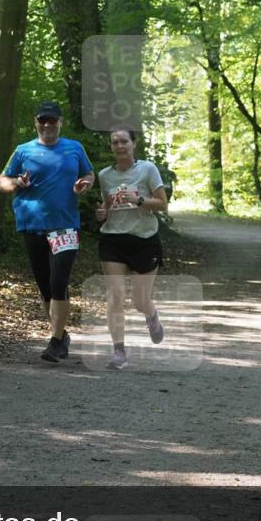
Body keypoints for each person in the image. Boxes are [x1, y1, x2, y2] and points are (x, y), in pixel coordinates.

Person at [0, 101, 94, 362]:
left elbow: (89, 174)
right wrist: (17, 182)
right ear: (36, 122)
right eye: (43, 120)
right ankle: (61, 335)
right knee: (44, 287)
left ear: (60, 122)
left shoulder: (74, 148)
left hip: (65, 226)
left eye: (52, 120)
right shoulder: (22, 151)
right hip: (32, 226)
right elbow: (2, 181)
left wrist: (84, 184)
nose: (47, 125)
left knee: (58, 282)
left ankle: (54, 342)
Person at [94, 129, 169, 369]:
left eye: (124, 141)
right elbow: (106, 207)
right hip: (113, 240)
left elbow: (163, 204)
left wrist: (138, 201)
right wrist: (102, 213)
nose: (119, 146)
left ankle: (152, 316)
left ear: (134, 143)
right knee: (115, 296)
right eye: (114, 142)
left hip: (144, 239)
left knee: (139, 301)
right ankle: (119, 351)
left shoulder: (148, 169)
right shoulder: (104, 175)